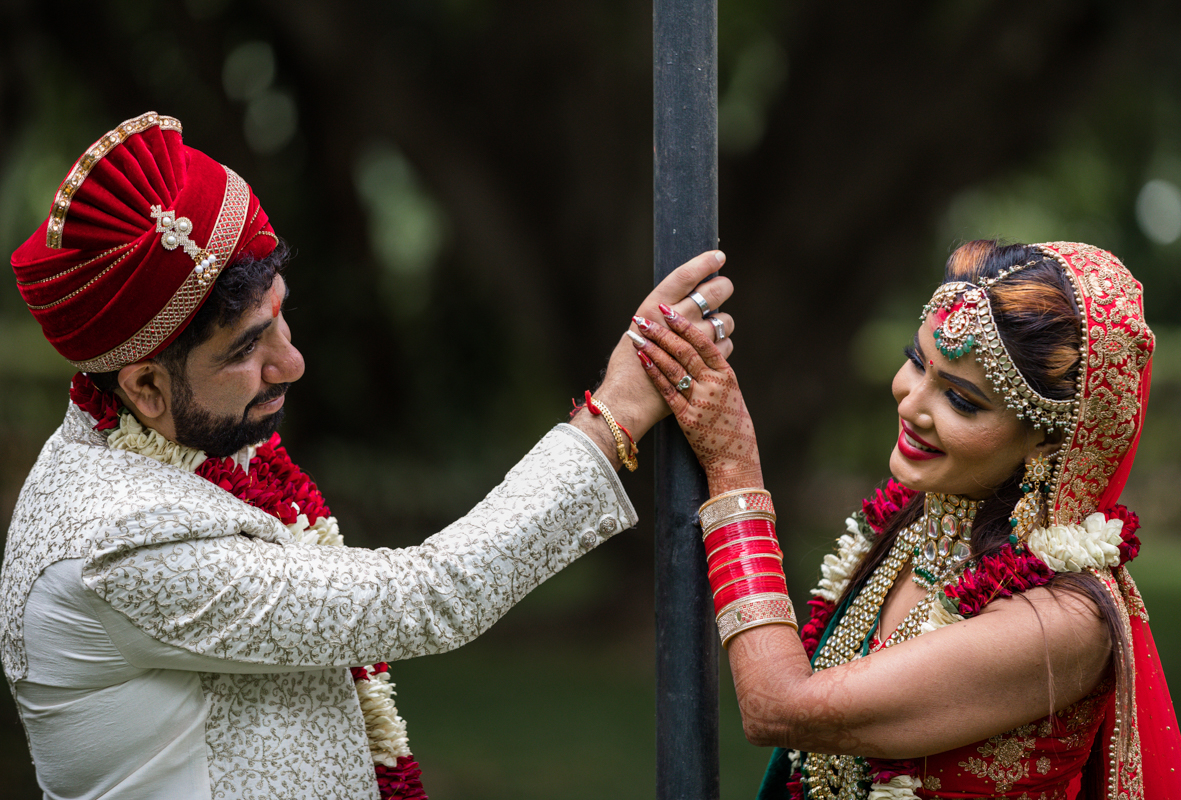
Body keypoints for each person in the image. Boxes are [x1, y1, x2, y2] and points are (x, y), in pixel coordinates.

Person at [0, 111, 733, 799]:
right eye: (249, 348)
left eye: (280, 316)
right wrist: (617, 413)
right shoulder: (118, 542)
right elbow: (427, 598)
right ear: (146, 387)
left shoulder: (162, 451)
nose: (292, 364)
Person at [633, 240, 1181, 799]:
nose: (910, 402)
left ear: (1048, 445)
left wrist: (733, 470)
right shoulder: (913, 528)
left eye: (963, 400)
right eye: (919, 361)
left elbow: (775, 707)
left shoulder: (1064, 620)